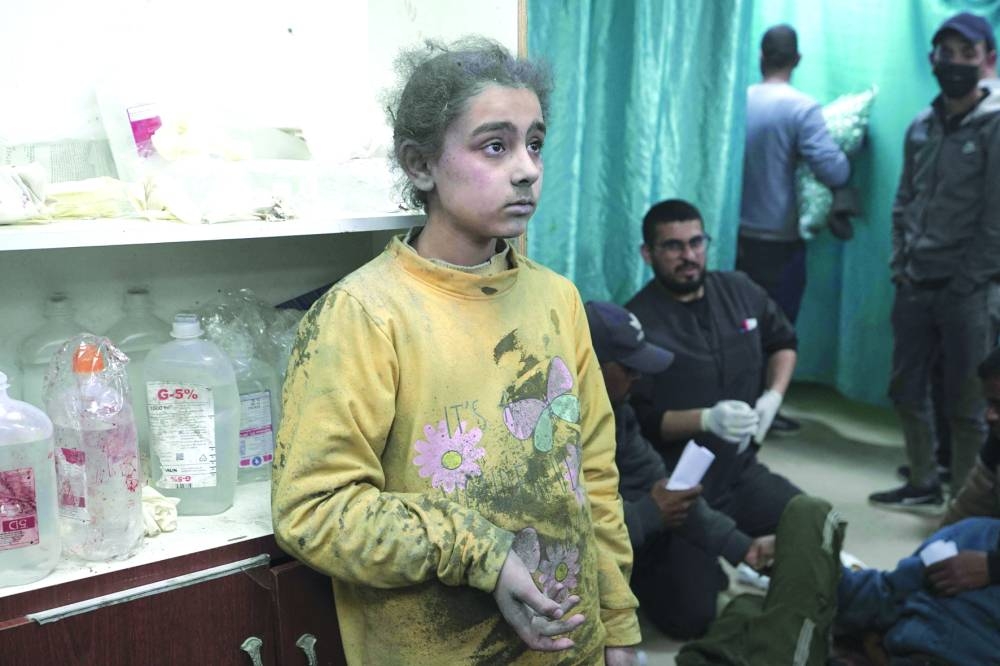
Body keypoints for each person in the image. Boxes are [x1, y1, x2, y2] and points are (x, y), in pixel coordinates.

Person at [271, 38, 641, 665]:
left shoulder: (557, 300)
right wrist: (481, 552)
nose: (526, 168)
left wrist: (618, 622)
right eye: (494, 145)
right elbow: (314, 509)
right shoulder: (365, 313)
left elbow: (594, 478)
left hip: (568, 644)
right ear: (420, 165)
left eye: (535, 143)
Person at [625, 198, 802, 638]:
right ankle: (656, 566)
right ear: (648, 254)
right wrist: (705, 420)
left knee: (810, 523)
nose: (689, 255)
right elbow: (641, 422)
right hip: (678, 485)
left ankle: (729, 559)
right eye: (673, 246)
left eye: (696, 242)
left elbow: (783, 341)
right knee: (690, 618)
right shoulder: (641, 322)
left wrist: (773, 398)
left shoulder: (740, 290)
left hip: (740, 471)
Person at [584, 300, 777, 636]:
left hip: (625, 525)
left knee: (693, 611)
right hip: (562, 556)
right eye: (628, 367)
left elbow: (661, 485)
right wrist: (647, 514)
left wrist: (741, 546)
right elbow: (560, 533)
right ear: (588, 364)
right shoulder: (546, 428)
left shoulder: (618, 412)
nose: (638, 377)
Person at [871, 12, 1000, 509]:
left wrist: (966, 282)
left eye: (967, 54)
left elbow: (995, 220)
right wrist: (900, 263)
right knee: (905, 388)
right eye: (947, 53)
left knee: (968, 404)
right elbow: (903, 200)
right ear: (933, 59)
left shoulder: (993, 127)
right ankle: (923, 480)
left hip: (969, 290)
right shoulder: (920, 126)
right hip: (914, 282)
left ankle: (963, 502)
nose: (956, 63)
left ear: (987, 60)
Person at [737, 24, 851, 434]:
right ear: (797, 60)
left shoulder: (740, 99)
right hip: (777, 238)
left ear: (760, 57)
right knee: (775, 326)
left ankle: (740, 401)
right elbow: (833, 167)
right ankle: (766, 403)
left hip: (734, 233)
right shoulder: (801, 107)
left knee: (738, 322)